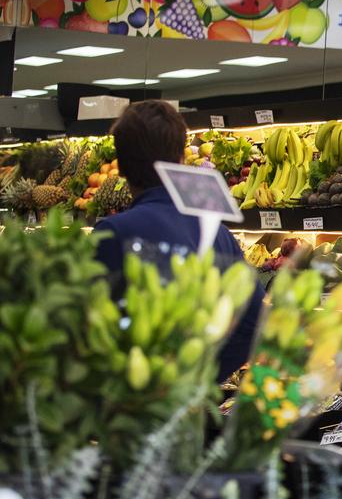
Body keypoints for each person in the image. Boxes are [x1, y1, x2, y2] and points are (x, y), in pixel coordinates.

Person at [93, 100, 264, 382]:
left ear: (121, 166)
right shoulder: (218, 235)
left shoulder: (112, 234)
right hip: (186, 414)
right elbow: (254, 321)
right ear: (180, 161)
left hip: (126, 411)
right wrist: (199, 377)